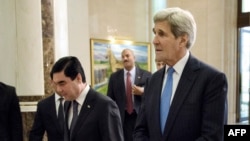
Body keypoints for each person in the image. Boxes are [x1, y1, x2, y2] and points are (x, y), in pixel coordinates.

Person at [133, 7, 228, 141]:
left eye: (162, 34)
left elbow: (212, 136)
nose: (154, 40)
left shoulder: (212, 80)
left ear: (182, 40)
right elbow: (140, 130)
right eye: (155, 33)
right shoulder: (152, 81)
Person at [50, 56, 124, 141]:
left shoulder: (105, 106)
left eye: (62, 83)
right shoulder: (67, 103)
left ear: (78, 78)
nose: (59, 89)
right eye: (56, 84)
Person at [107, 49, 152, 141]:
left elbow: (153, 97)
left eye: (127, 56)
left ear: (134, 58)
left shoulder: (146, 75)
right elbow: (109, 100)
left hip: (140, 116)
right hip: (122, 119)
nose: (125, 58)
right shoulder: (114, 77)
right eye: (123, 57)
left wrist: (143, 91)